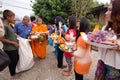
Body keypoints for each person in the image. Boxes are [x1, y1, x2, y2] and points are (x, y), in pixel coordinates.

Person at [95, 0, 120, 79]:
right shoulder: (105, 28)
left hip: (114, 66)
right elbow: (99, 42)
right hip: (101, 61)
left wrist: (118, 47)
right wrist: (94, 38)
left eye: (109, 10)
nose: (106, 13)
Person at [0, 10, 19, 78]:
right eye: (13, 17)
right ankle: (13, 74)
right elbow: (1, 39)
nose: (14, 19)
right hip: (9, 48)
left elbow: (9, 34)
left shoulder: (9, 25)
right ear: (8, 17)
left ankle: (13, 71)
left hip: (13, 47)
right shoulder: (4, 26)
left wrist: (15, 34)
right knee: (12, 61)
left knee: (16, 59)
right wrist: (14, 42)